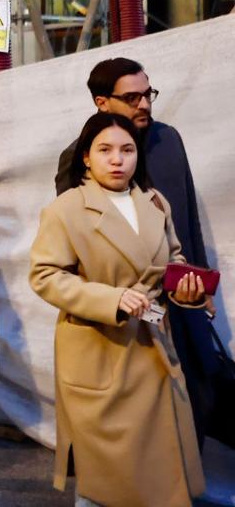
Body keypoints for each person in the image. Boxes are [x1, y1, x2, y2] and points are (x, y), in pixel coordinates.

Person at [30, 112, 207, 507]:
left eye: (127, 150)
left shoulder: (155, 202)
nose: (117, 159)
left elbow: (171, 265)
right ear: (86, 158)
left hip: (153, 351)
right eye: (105, 150)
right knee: (102, 482)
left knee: (158, 475)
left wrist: (191, 292)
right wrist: (109, 299)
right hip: (98, 353)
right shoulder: (66, 209)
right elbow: (45, 276)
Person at [51, 57, 216, 449]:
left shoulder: (168, 140)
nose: (144, 104)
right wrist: (111, 301)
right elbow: (76, 245)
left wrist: (200, 279)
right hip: (123, 312)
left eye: (148, 94)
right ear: (101, 102)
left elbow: (187, 217)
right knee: (133, 416)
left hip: (181, 296)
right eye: (131, 97)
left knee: (197, 388)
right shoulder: (80, 158)